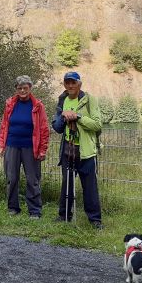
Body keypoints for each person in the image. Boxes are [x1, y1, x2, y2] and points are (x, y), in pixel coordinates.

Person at [52, 71, 103, 229]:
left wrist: (78, 116)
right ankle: (64, 216)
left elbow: (97, 125)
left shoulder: (89, 100)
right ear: (64, 85)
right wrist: (63, 117)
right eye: (67, 83)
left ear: (79, 84)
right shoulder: (62, 100)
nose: (70, 85)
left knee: (90, 187)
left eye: (73, 82)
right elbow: (57, 127)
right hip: (68, 149)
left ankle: (95, 220)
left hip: (86, 150)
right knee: (67, 184)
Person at [0, 75, 49, 218]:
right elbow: (4, 126)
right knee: (11, 178)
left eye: (25, 88)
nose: (22, 90)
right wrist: (1, 145)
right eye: (19, 88)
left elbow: (44, 129)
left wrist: (43, 149)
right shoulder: (10, 104)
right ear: (16, 89)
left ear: (30, 88)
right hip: (11, 146)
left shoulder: (38, 106)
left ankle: (35, 211)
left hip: (31, 147)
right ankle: (13, 208)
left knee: (33, 179)